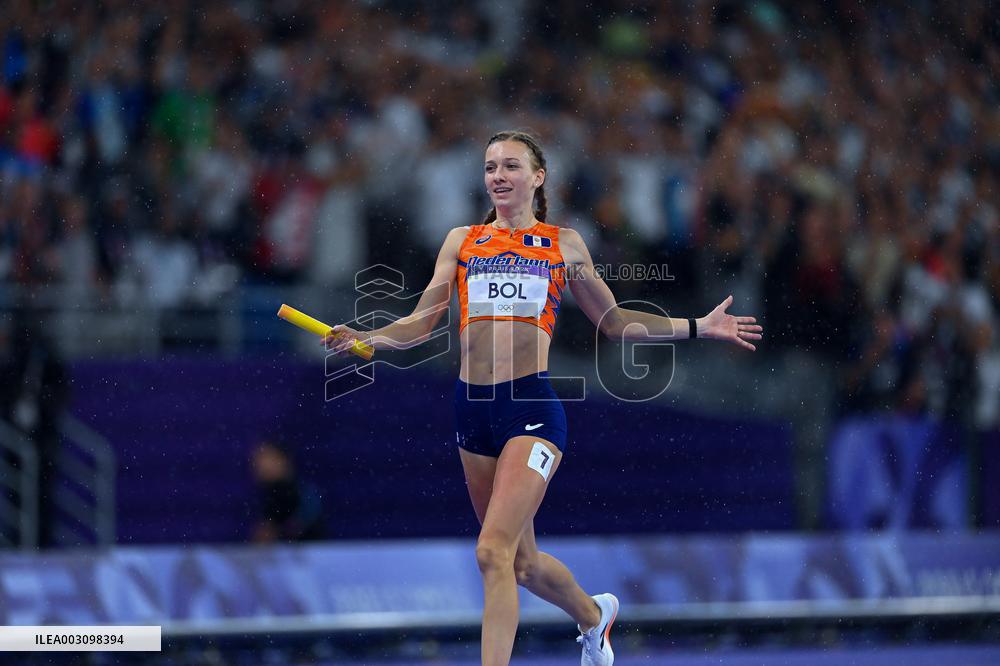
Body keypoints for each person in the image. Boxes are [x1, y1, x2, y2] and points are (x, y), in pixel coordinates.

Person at [324, 130, 762, 666]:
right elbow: (421, 324)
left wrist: (699, 326)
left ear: (538, 177)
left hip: (530, 411)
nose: (498, 176)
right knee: (523, 566)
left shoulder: (564, 244)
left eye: (511, 166)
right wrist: (367, 337)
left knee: (491, 553)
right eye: (490, 167)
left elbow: (616, 322)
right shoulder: (462, 241)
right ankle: (594, 616)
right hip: (472, 411)